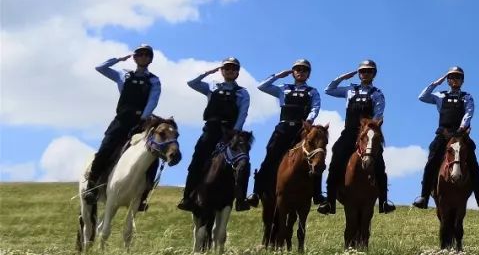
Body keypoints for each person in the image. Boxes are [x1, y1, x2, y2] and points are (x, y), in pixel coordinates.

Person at [83, 45, 161, 208]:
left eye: (147, 55)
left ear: (151, 59)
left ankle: (143, 196)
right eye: (140, 54)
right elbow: (101, 68)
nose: (144, 57)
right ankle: (92, 186)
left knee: (152, 155)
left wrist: (144, 117)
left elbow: (153, 100)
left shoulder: (154, 80)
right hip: (121, 120)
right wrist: (119, 59)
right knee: (106, 147)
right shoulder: (123, 74)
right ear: (135, 57)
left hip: (141, 122)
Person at [319, 59, 394, 215]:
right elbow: (328, 90)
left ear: (374, 74)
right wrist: (343, 77)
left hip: (367, 133)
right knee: (336, 154)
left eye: (369, 71)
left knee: (379, 161)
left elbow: (378, 115)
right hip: (349, 132)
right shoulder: (349, 90)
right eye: (362, 71)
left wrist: (369, 129)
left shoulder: (377, 94)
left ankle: (384, 201)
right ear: (358, 73)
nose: (365, 73)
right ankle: (329, 201)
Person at [177, 57, 251, 212]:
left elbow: (243, 113)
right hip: (210, 129)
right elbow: (191, 83)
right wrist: (206, 73)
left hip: (230, 132)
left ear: (237, 72)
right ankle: (187, 197)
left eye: (233, 68)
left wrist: (235, 131)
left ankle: (241, 199)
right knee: (197, 159)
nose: (230, 70)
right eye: (227, 68)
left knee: (243, 161)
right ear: (222, 70)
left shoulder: (242, 93)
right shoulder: (211, 86)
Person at [411, 66, 479, 210]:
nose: (455, 80)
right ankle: (424, 196)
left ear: (462, 80)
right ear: (448, 80)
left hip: (460, 134)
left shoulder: (467, 97)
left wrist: (460, 130)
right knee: (432, 160)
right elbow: (422, 96)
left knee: (473, 162)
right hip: (443, 134)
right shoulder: (440, 95)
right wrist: (438, 81)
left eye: (458, 77)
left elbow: (468, 114)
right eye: (452, 77)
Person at [247, 59, 322, 207]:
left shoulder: (312, 91)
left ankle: (317, 194)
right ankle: (256, 192)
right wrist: (279, 75)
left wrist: (308, 121)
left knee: (314, 156)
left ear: (308, 74)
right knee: (270, 156)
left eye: (304, 70)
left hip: (301, 130)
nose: (301, 72)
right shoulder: (283, 88)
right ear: (293, 72)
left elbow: (315, 107)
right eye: (297, 69)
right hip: (283, 128)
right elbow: (262, 86)